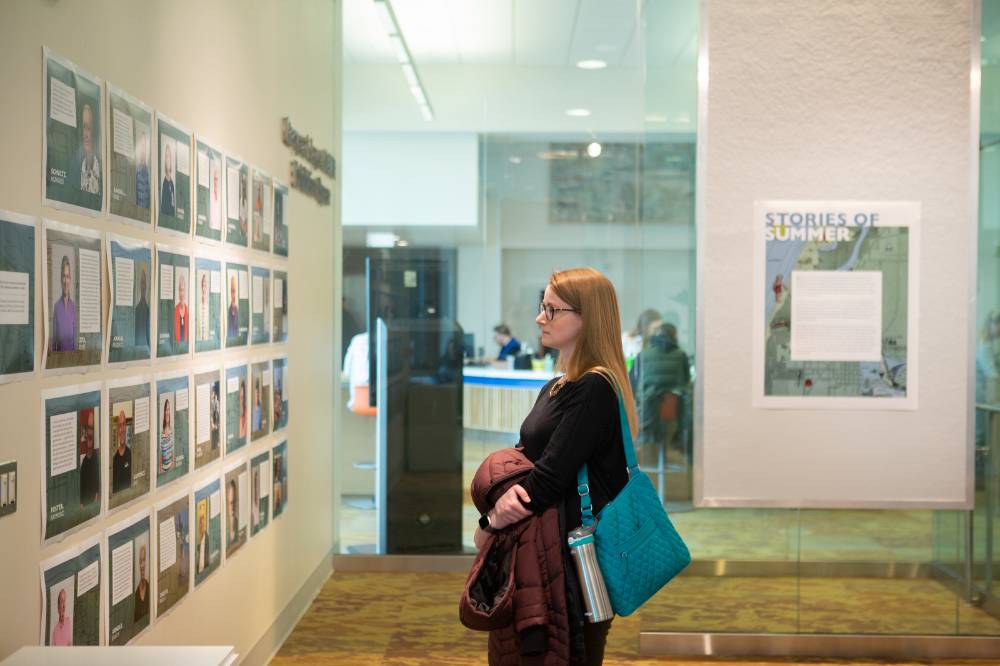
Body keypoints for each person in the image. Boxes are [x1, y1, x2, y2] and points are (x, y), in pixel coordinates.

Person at [476, 267, 636, 666]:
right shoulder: (559, 385)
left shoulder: (595, 387)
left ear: (587, 317)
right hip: (549, 555)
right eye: (542, 307)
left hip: (575, 561)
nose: (539, 318)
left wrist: (493, 522)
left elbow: (548, 478)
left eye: (551, 309)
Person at [629, 323, 690, 451]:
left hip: (648, 411)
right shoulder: (681, 355)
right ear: (675, 336)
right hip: (674, 412)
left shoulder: (643, 355)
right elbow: (686, 381)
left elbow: (632, 383)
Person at [51, 255, 77, 352]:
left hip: (73, 359)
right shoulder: (56, 307)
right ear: (61, 279)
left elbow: (75, 342)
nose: (66, 281)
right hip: (59, 359)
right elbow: (54, 342)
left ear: (70, 279)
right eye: (64, 276)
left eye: (68, 277)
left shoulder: (73, 307)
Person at [78, 409, 99, 507]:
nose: (90, 432)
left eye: (92, 428)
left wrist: (96, 496)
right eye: (88, 428)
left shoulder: (96, 458)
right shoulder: (83, 460)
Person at [79, 103, 100, 195]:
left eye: (89, 128)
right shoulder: (79, 168)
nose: (86, 134)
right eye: (84, 127)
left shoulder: (99, 168)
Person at [111, 409, 132, 494]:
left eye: (123, 424)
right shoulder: (114, 458)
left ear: (126, 427)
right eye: (119, 425)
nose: (122, 429)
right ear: (117, 429)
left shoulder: (130, 454)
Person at [133, 543, 149, 622]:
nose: (142, 565)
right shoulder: (135, 594)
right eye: (140, 561)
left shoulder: (150, 587)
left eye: (144, 560)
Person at [134, 268, 150, 348]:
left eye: (144, 283)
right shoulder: (136, 309)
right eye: (142, 283)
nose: (143, 286)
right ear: (139, 285)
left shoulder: (148, 309)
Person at [135, 130, 150, 209]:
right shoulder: (135, 169)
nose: (143, 150)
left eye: (144, 146)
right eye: (141, 145)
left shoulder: (147, 171)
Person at [160, 143, 175, 218]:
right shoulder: (164, 182)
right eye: (166, 157)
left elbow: (173, 202)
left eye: (169, 156)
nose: (168, 159)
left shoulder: (172, 182)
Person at [159, 399, 174, 472]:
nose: (167, 412)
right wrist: (161, 468)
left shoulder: (171, 430)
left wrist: (173, 464)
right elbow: (161, 452)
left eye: (168, 409)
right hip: (163, 469)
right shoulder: (161, 432)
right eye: (166, 409)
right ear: (164, 412)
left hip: (171, 467)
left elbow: (172, 449)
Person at [174, 272, 188, 343]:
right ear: (178, 291)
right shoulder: (175, 309)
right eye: (180, 290)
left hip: (186, 346)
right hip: (177, 345)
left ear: (185, 291)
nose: (182, 293)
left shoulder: (188, 309)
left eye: (183, 290)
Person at [196, 508, 209, 573]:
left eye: (203, 524)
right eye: (201, 524)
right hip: (198, 569)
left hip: (204, 568)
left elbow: (207, 554)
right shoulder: (198, 537)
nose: (202, 526)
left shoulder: (207, 538)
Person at [227, 478, 239, 544]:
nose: (233, 508)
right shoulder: (224, 528)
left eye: (234, 502)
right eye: (231, 503)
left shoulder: (237, 523)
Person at [198, 272, 209, 341]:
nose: (204, 288)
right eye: (203, 285)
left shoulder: (208, 302)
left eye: (205, 285)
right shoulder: (199, 301)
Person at [210, 382, 220, 450]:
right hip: (213, 424)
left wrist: (216, 424)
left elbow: (217, 412)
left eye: (213, 392)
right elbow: (211, 413)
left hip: (216, 423)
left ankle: (216, 445)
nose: (212, 394)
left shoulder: (216, 402)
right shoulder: (211, 402)